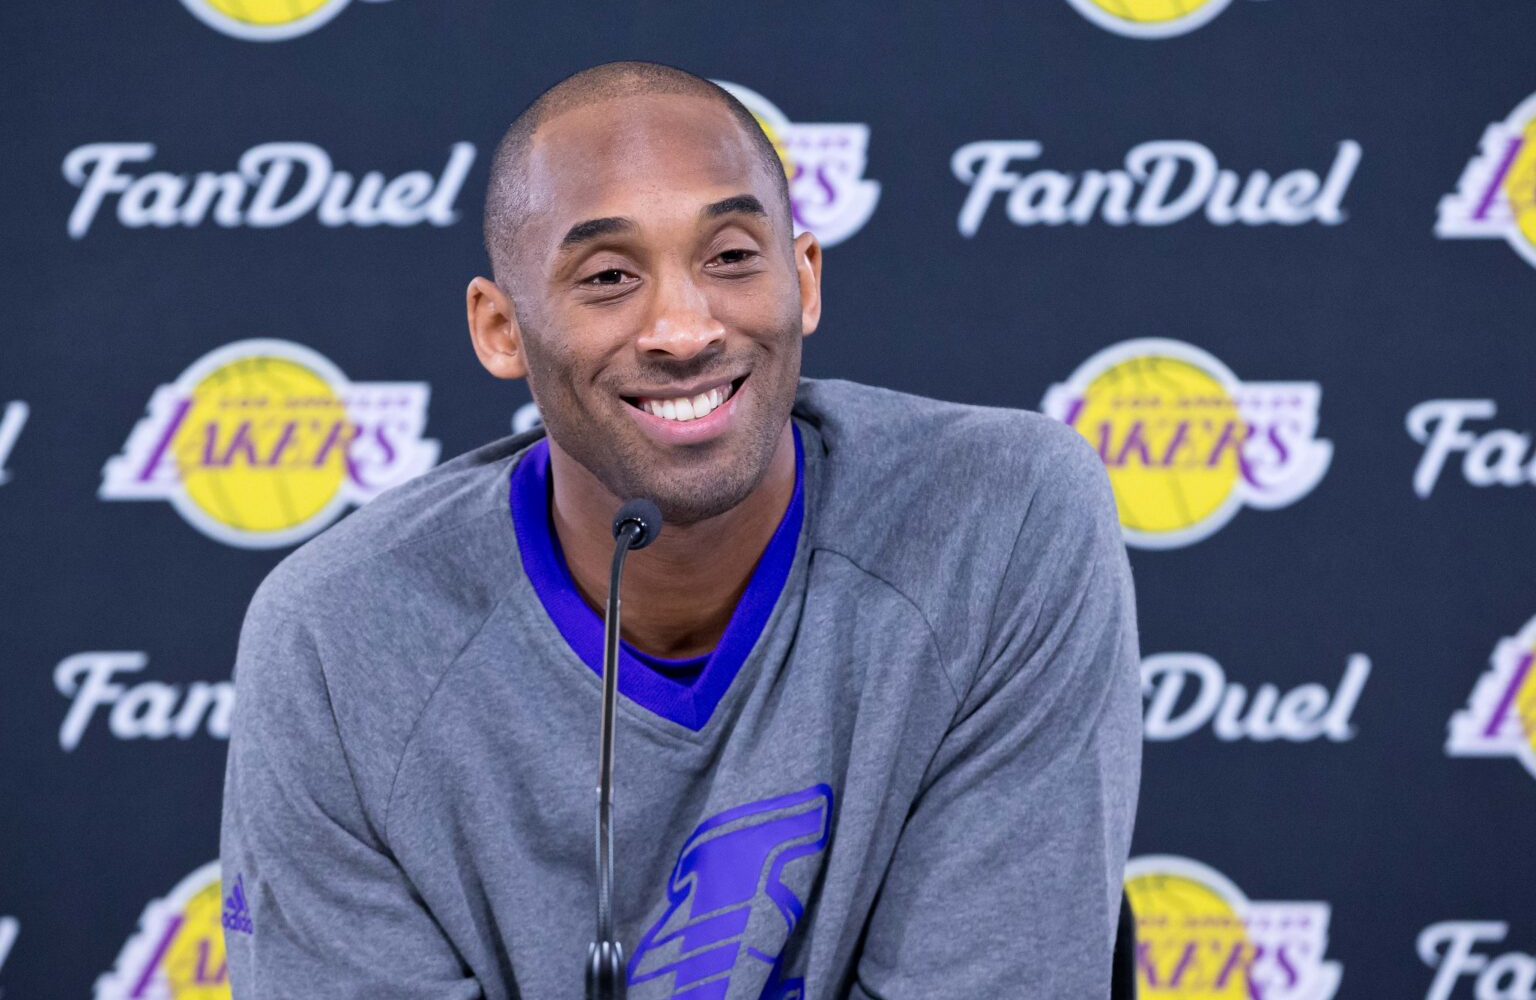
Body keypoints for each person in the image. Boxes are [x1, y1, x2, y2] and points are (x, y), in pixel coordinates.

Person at [220, 61, 1141, 1000]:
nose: (684, 328)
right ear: (502, 329)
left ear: (804, 278)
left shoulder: (1001, 520)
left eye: (731, 257)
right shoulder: (337, 640)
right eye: (609, 276)